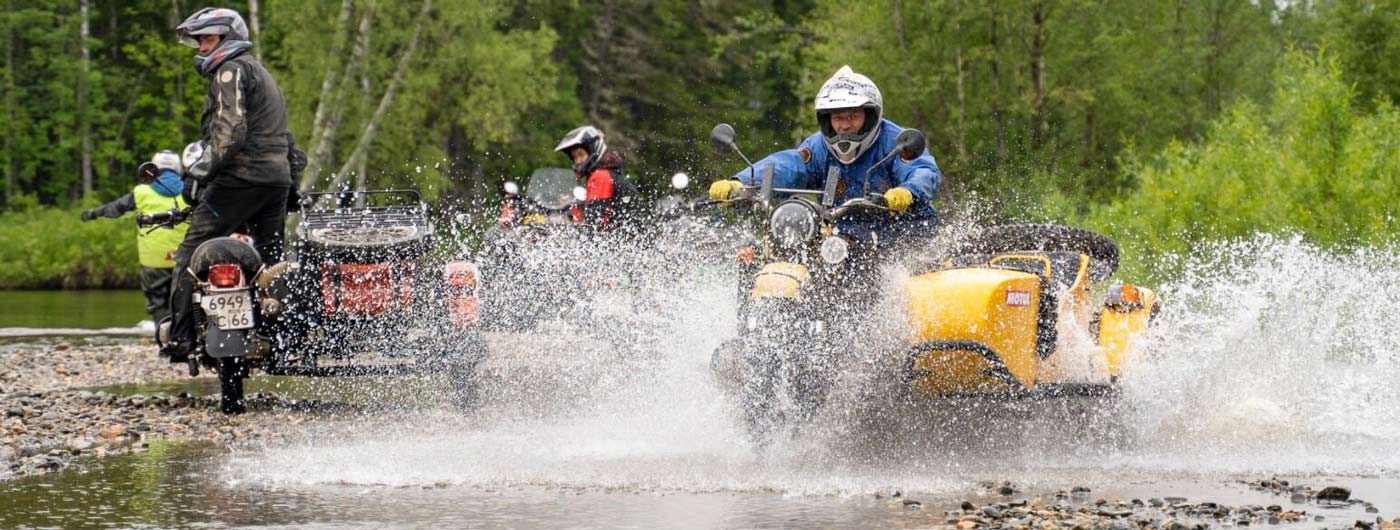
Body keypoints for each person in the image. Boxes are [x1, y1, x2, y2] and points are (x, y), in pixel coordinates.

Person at [162, 7, 292, 361]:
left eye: (208, 39)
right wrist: (289, 183)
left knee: (191, 253)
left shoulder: (229, 71)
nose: (202, 47)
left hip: (239, 179)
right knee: (270, 262)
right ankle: (277, 334)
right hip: (275, 182)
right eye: (200, 40)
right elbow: (286, 138)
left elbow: (230, 130)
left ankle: (181, 337)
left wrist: (198, 173)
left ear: (227, 38)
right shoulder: (263, 74)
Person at [708, 65, 941, 246]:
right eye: (838, 118)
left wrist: (907, 192)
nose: (845, 126)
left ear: (870, 115)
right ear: (826, 120)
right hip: (838, 238)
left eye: (853, 117)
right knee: (764, 254)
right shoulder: (818, 147)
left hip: (905, 235)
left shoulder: (895, 142)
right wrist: (741, 184)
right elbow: (790, 165)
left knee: (906, 283)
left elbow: (923, 171)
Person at [80, 151, 189, 324]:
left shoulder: (141, 191)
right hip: (185, 258)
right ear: (179, 167)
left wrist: (92, 214)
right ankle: (185, 336)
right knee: (186, 299)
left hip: (153, 260)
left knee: (157, 302)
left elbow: (115, 208)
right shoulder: (190, 189)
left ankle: (165, 338)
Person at [554, 125, 637, 232]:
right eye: (575, 157)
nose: (578, 161)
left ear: (593, 151)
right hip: (627, 238)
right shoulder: (609, 171)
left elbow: (596, 221)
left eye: (581, 154)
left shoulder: (600, 176)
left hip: (618, 241)